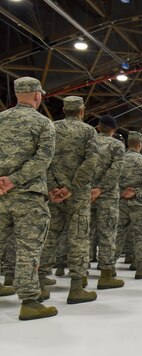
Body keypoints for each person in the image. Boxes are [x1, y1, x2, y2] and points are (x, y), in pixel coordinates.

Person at [0, 77, 58, 320]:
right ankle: (29, 302)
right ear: (37, 95)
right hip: (29, 196)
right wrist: (16, 179)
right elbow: (42, 160)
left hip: (1, 194)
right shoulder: (43, 123)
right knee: (28, 249)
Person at [39, 96, 99, 304]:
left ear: (64, 110)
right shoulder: (88, 131)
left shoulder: (51, 128)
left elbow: (44, 159)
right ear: (82, 111)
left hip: (54, 194)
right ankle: (76, 288)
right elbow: (91, 161)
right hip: (78, 194)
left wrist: (52, 187)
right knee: (79, 237)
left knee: (49, 236)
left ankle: (40, 284)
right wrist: (72, 188)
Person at [114, 131, 142, 279]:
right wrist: (137, 192)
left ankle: (109, 266)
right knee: (140, 235)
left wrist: (121, 192)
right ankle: (140, 268)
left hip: (121, 202)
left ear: (128, 144)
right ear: (140, 144)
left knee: (117, 234)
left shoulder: (119, 159)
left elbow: (110, 178)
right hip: (139, 203)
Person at [89, 114, 125, 289]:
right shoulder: (116, 145)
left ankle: (80, 274)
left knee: (83, 234)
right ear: (114, 130)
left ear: (98, 126)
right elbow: (115, 170)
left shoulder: (89, 142)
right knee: (107, 234)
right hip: (107, 196)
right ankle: (106, 275)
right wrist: (101, 188)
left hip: (86, 194)